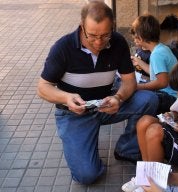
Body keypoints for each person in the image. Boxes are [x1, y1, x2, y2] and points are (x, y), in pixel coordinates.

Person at [36, 0, 158, 185]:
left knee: (149, 99)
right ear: (81, 27)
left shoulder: (118, 42)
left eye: (105, 35)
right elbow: (43, 87)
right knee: (87, 176)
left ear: (113, 27)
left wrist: (118, 97)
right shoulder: (63, 47)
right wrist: (66, 97)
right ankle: (84, 145)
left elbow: (129, 81)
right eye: (92, 35)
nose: (99, 42)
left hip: (106, 105)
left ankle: (127, 149)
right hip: (73, 114)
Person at [121, 54, 178, 192]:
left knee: (155, 131)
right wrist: (171, 115)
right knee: (145, 121)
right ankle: (145, 176)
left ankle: (155, 181)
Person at [130, 14, 178, 114]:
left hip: (170, 97)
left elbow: (162, 82)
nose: (134, 40)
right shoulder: (162, 48)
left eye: (135, 38)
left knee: (138, 101)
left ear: (140, 38)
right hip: (172, 95)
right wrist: (138, 61)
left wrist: (138, 87)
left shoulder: (156, 55)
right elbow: (155, 72)